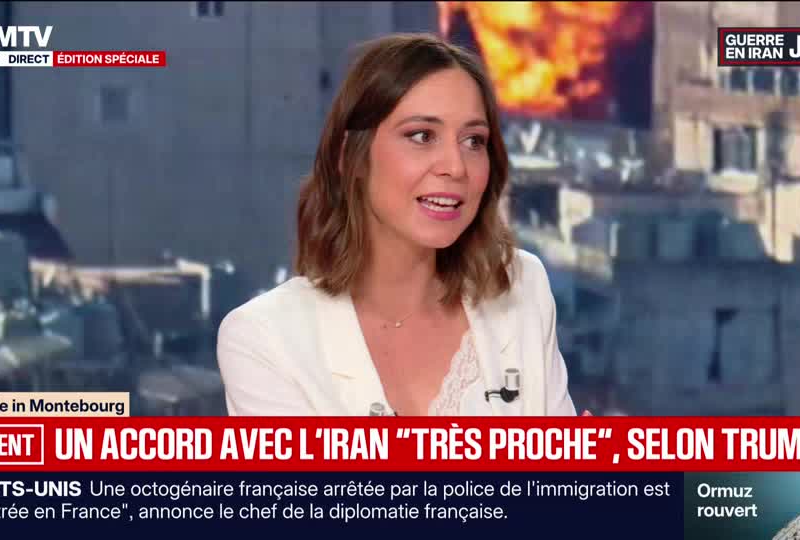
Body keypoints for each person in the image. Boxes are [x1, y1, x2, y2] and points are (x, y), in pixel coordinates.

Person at [217, 33, 582, 417]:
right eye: (422, 136)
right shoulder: (264, 340)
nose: (456, 167)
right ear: (350, 156)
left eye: (474, 141)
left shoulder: (522, 287)